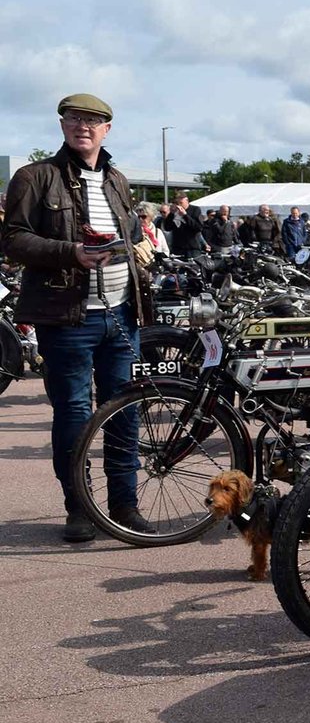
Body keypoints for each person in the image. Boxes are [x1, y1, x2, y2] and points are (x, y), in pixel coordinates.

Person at [0, 93, 156, 541]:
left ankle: (125, 504)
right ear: (62, 125)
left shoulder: (118, 180)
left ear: (107, 129)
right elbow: (13, 240)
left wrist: (138, 245)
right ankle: (79, 508)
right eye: (73, 118)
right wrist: (72, 253)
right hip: (66, 317)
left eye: (92, 120)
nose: (82, 126)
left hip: (122, 314)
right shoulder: (35, 177)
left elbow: (127, 236)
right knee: (73, 413)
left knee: (125, 412)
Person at [162, 191, 206, 258]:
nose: (179, 205)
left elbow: (198, 227)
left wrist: (185, 215)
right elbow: (167, 227)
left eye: (181, 203)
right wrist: (171, 214)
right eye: (177, 203)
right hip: (177, 247)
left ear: (187, 200)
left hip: (192, 247)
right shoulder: (174, 212)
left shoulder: (195, 209)